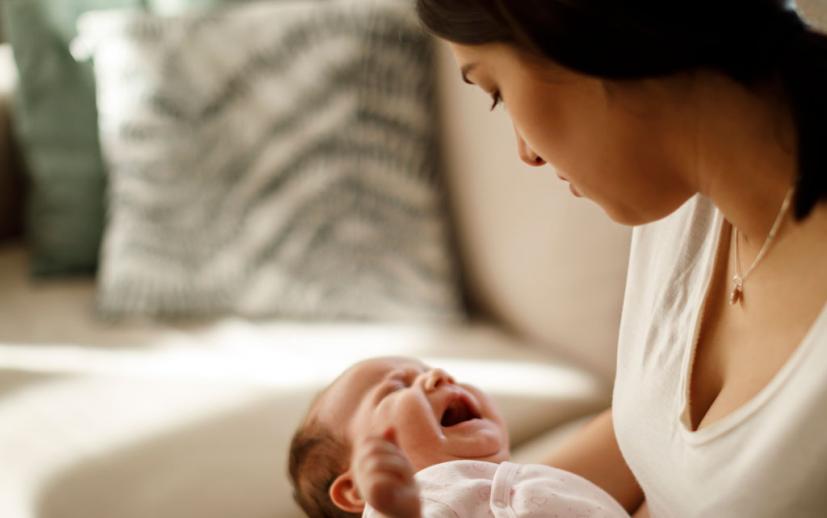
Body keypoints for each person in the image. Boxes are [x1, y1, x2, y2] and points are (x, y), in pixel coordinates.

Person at [415, 1, 827, 517]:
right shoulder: (679, 193)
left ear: (572, 31)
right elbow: (662, 443)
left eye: (497, 92)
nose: (527, 152)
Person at [288, 356, 630, 518]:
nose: (439, 374)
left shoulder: (538, 486)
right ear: (357, 490)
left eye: (428, 369)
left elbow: (636, 429)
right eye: (397, 386)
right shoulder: (422, 500)